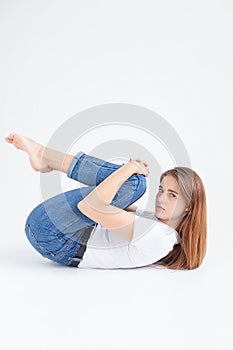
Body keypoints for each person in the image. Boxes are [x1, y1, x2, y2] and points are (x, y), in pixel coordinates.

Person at [4, 132, 207, 270]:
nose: (161, 198)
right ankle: (45, 157)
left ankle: (45, 156)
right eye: (161, 190)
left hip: (55, 237)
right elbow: (117, 204)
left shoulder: (158, 236)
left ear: (189, 207)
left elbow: (89, 206)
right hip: (59, 236)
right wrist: (125, 174)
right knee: (132, 183)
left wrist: (129, 170)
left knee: (135, 183)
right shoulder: (158, 226)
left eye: (172, 195)